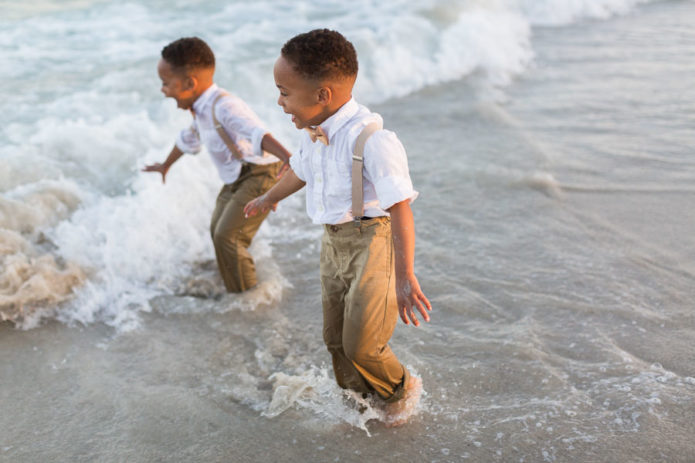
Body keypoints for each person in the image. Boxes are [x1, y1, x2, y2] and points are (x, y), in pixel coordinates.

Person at [244, 29, 432, 426]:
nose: (279, 102)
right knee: (335, 340)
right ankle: (360, 404)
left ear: (321, 95)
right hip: (332, 245)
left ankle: (401, 392)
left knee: (362, 343)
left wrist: (405, 275)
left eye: (284, 92)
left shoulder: (373, 140)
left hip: (372, 243)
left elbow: (400, 209)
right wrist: (269, 197)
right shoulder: (314, 134)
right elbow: (300, 170)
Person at [144, 37, 292, 293]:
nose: (163, 90)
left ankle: (248, 296)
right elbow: (188, 139)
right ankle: (232, 284)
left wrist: (289, 159)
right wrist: (165, 165)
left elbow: (258, 134)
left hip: (261, 174)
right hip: (237, 176)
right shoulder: (201, 109)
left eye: (166, 83)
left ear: (190, 83)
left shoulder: (225, 106)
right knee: (217, 230)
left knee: (229, 237)